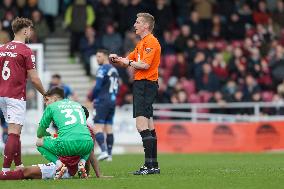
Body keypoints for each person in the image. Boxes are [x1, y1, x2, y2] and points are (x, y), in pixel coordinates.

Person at [109, 12, 161, 175]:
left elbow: (144, 65)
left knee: (141, 125)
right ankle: (153, 165)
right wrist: (118, 59)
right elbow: (128, 61)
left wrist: (128, 62)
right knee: (150, 126)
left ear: (146, 26)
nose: (135, 25)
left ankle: (149, 166)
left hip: (145, 85)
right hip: (143, 84)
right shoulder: (141, 43)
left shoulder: (151, 42)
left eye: (138, 22)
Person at [0, 106, 103, 180]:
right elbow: (89, 152)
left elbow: (91, 154)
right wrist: (86, 172)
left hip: (64, 168)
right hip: (70, 168)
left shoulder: (70, 130)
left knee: (25, 171)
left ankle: (3, 175)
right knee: (27, 172)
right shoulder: (86, 131)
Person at [0, 17, 46, 172]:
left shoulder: (2, 48)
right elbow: (34, 78)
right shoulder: (26, 50)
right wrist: (45, 94)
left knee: (14, 130)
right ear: (25, 30)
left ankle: (18, 165)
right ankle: (5, 170)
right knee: (14, 132)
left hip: (2, 95)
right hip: (15, 95)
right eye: (30, 29)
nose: (31, 32)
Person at [36, 87, 94, 179]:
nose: (45, 103)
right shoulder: (78, 105)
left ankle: (59, 165)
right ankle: (82, 163)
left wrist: (50, 135)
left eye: (47, 99)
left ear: (55, 98)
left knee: (39, 142)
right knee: (87, 140)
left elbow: (39, 133)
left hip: (66, 144)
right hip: (87, 144)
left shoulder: (52, 107)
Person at [88, 49, 119, 161]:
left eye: (99, 56)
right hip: (112, 100)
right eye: (97, 56)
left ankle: (104, 151)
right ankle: (109, 155)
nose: (97, 59)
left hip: (102, 101)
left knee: (97, 127)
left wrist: (91, 97)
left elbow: (97, 87)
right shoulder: (114, 69)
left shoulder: (102, 69)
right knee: (109, 128)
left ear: (105, 57)